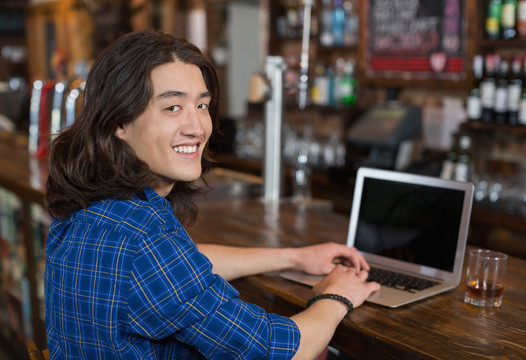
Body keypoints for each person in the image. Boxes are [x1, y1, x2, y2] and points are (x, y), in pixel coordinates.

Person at [44, 29, 380, 359]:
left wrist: (292, 257)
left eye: (202, 105)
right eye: (173, 107)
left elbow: (180, 265)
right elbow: (275, 351)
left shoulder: (89, 212)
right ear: (119, 122)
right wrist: (336, 296)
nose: (197, 127)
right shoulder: (145, 242)